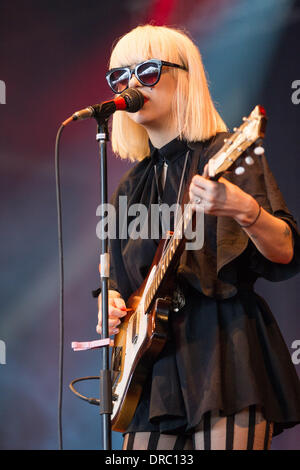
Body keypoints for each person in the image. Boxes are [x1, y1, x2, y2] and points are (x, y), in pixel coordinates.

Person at [95, 24, 300, 450]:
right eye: (120, 77)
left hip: (227, 356)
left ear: (184, 78)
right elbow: (114, 280)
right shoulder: (128, 189)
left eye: (147, 71)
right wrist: (111, 307)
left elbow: (284, 250)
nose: (130, 85)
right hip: (152, 373)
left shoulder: (227, 154)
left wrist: (245, 210)